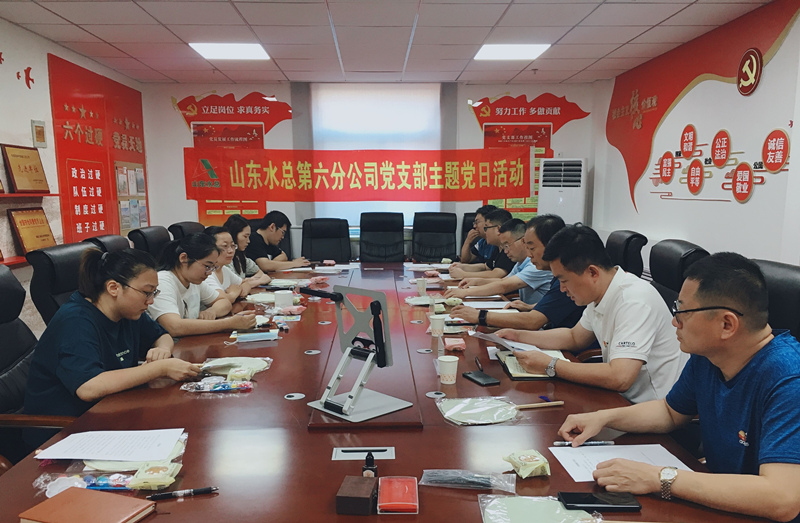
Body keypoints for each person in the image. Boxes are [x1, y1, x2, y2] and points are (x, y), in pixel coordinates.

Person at [557, 253, 800, 522]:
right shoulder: (709, 356)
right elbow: (670, 412)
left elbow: (782, 499)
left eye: (682, 312)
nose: (675, 321)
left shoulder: (788, 377)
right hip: (721, 505)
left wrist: (658, 478)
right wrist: (603, 418)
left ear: (726, 324)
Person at [24, 248, 202, 444]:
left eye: (154, 292)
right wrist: (160, 368)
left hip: (111, 412)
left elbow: (163, 335)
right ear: (113, 288)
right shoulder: (75, 320)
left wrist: (163, 350)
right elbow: (88, 387)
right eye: (146, 292)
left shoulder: (128, 311)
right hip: (66, 432)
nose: (151, 301)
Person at [496, 224, 686, 404]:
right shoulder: (601, 292)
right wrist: (518, 336)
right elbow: (574, 337)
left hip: (651, 408)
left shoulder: (634, 300)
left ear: (593, 272)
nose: (562, 289)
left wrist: (551, 365)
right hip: (619, 399)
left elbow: (620, 377)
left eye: (564, 280)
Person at [451, 214, 584, 330]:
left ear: (551, 246)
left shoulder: (567, 278)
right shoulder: (558, 277)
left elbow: (533, 320)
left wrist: (480, 315)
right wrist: (532, 307)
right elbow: (556, 304)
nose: (529, 254)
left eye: (531, 247)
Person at [148, 233, 256, 336]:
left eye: (213, 267)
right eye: (207, 266)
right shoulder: (162, 281)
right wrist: (229, 324)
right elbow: (173, 327)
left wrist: (212, 311)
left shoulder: (194, 281)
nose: (209, 273)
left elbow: (224, 302)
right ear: (183, 258)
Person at [444, 218, 551, 306]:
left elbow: (504, 286)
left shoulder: (536, 265)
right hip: (528, 312)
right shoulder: (521, 262)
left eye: (507, 245)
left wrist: (465, 292)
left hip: (539, 320)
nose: (506, 251)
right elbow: (503, 280)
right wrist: (476, 281)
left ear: (523, 241)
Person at [203, 226, 267, 304]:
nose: (231, 251)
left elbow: (245, 284)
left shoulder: (224, 270)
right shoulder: (207, 273)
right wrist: (234, 293)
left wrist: (236, 292)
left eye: (233, 246)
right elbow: (222, 302)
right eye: (225, 246)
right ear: (210, 248)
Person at [449, 208, 515, 280]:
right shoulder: (498, 247)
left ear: (498, 229)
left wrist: (464, 274)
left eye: (486, 228)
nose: (485, 231)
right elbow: (486, 267)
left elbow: (497, 274)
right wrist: (463, 267)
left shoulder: (509, 247)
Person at [246, 210, 310, 272]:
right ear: (272, 227)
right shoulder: (253, 239)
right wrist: (294, 263)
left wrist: (272, 264)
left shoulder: (268, 241)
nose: (283, 237)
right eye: (283, 232)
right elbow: (265, 266)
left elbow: (283, 255)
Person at [223, 214, 272, 286]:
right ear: (233, 235)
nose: (248, 241)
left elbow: (260, 273)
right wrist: (257, 281)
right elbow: (234, 287)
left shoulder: (240, 257)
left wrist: (249, 281)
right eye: (245, 236)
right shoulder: (225, 259)